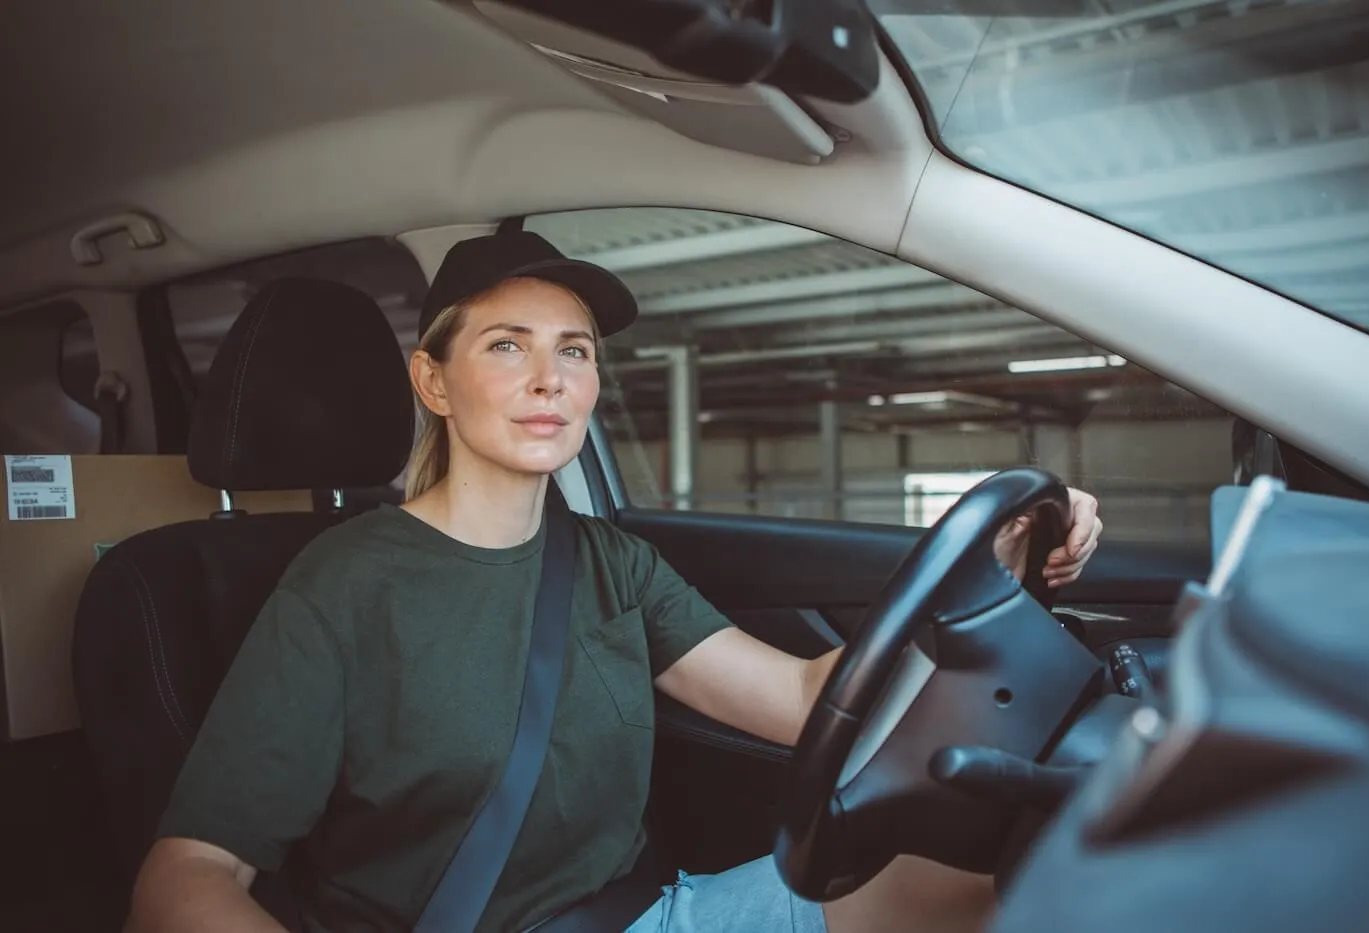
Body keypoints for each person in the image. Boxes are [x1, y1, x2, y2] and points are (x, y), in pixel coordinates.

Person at [125, 231, 1103, 933]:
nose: (549, 378)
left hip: (657, 917)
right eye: (505, 345)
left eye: (574, 351)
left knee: (1027, 880)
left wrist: (1000, 558)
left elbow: (809, 700)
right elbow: (184, 879)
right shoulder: (344, 586)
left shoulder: (607, 562)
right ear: (433, 383)